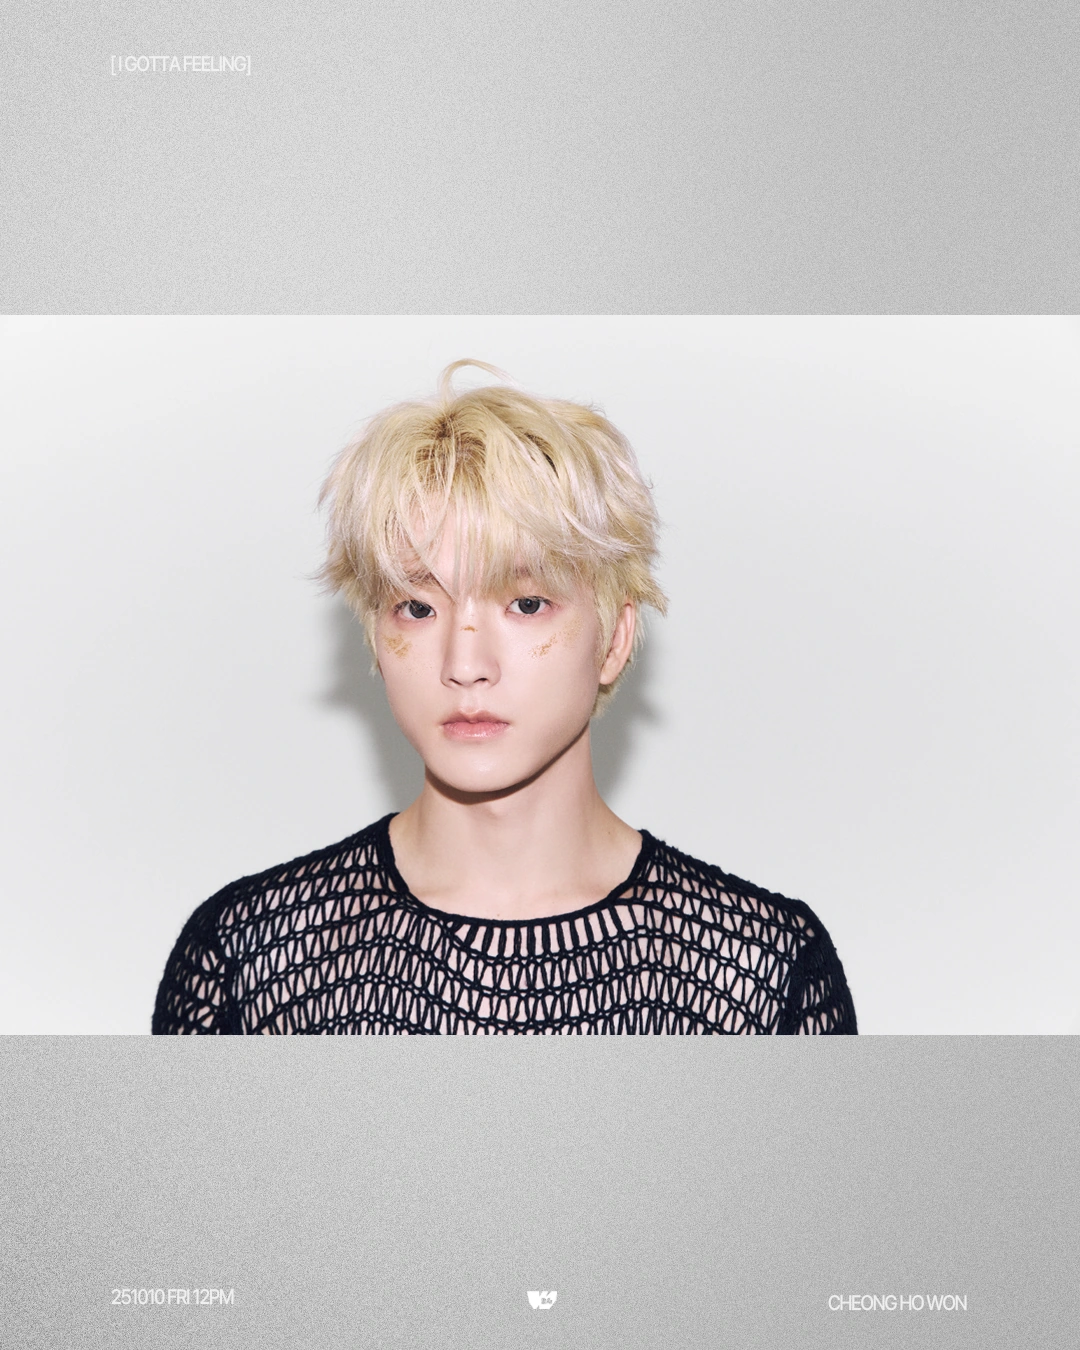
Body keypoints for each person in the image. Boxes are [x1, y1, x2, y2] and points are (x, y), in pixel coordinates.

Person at [152, 360, 857, 1034]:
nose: (466, 665)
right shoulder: (245, 958)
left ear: (614, 639)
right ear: (375, 640)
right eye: (417, 608)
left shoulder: (765, 971)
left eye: (526, 603)